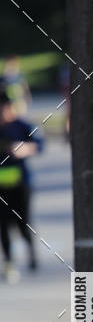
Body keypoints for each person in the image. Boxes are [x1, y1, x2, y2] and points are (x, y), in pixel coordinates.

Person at [0, 91, 43, 281]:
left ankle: (31, 253)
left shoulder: (22, 125)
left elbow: (39, 144)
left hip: (21, 184)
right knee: (3, 225)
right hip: (1, 186)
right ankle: (9, 261)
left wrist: (25, 148)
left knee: (23, 222)